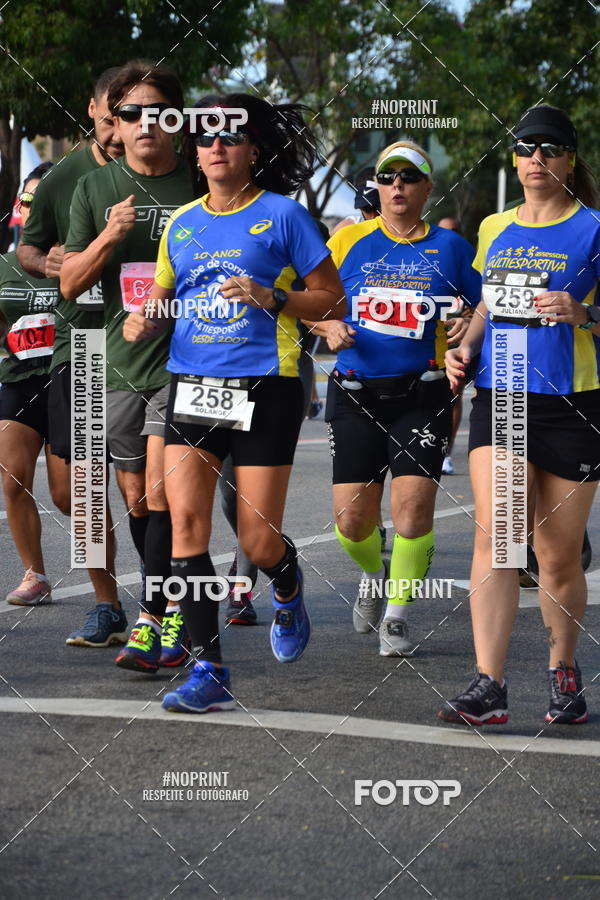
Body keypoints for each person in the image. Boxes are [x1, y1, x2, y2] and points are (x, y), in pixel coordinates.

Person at [122, 94, 346, 712]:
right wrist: (146, 320)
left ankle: (286, 579)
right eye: (205, 136)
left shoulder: (284, 217)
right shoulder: (183, 222)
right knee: (186, 528)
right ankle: (209, 672)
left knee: (258, 536)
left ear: (252, 150)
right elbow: (165, 301)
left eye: (230, 135)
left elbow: (332, 302)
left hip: (265, 385)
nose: (216, 145)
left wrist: (271, 297)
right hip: (190, 384)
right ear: (195, 152)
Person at [439, 104, 600, 726]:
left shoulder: (592, 228)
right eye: (527, 147)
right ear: (514, 158)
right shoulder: (493, 226)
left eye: (551, 149)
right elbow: (485, 304)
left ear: (569, 160)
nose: (538, 158)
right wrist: (465, 347)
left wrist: (581, 313)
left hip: (573, 403)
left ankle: (563, 672)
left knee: (557, 556)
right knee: (499, 535)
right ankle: (490, 684)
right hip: (501, 395)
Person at [310, 141, 481, 657]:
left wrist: (467, 321)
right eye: (389, 178)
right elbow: (303, 301)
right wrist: (328, 324)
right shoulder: (348, 241)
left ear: (427, 187)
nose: (398, 186)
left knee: (411, 511)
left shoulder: (451, 248)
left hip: (421, 393)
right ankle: (372, 573)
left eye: (409, 177)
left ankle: (399, 616)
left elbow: (483, 308)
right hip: (357, 391)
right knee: (352, 523)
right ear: (377, 188)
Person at [59, 59, 197, 669]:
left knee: (168, 491)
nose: (144, 124)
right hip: (116, 364)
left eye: (157, 112)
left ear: (176, 119)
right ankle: (163, 605)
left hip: (189, 361)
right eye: (130, 113)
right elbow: (69, 283)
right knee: (137, 496)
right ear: (115, 121)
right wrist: (108, 240)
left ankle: (157, 616)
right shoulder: (96, 188)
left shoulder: (200, 181)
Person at [16, 69, 128, 643]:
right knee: (73, 492)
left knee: (152, 490)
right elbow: (26, 248)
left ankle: (172, 601)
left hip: (155, 345)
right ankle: (109, 606)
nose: (120, 132)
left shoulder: (172, 172)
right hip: (83, 345)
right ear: (92, 111)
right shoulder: (63, 177)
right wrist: (50, 262)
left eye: (131, 119)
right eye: (111, 119)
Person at [0, 164, 66, 605]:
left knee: (70, 495)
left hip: (68, 378)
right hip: (17, 380)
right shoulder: (4, 265)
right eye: (27, 201)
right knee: (12, 479)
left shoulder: (78, 258)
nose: (32, 208)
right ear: (17, 208)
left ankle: (118, 580)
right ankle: (34, 574)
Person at [437, 216, 471, 476]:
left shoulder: (464, 257)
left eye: (454, 231)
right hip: (435, 338)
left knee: (453, 392)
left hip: (460, 339)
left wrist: (468, 319)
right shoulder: (433, 256)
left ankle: (446, 453)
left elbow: (482, 303)